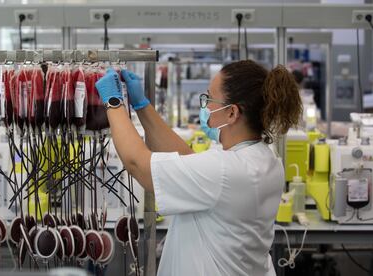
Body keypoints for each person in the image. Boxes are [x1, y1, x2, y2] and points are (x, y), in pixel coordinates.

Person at [95, 60, 303, 276]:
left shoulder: (225, 171)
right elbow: (189, 161)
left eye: (209, 98)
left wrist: (113, 101)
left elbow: (139, 165)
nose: (205, 106)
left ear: (232, 113)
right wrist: (142, 107)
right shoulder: (264, 158)